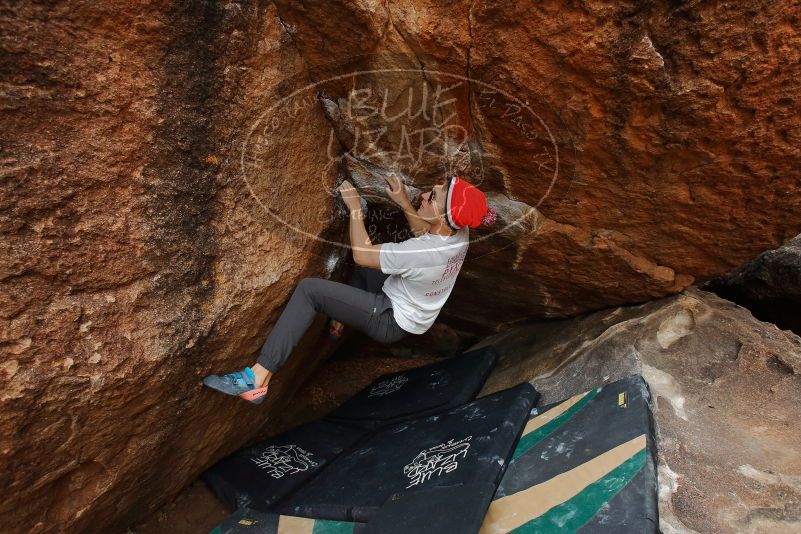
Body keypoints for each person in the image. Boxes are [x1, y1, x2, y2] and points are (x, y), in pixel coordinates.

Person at [202, 174, 494, 404]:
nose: (427, 193)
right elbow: (426, 232)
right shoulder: (459, 231)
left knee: (310, 290)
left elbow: (363, 254)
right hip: (411, 304)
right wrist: (405, 202)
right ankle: (340, 322)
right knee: (371, 268)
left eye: (432, 196)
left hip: (391, 318)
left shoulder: (423, 253)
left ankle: (257, 378)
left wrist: (356, 210)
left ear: (443, 217)